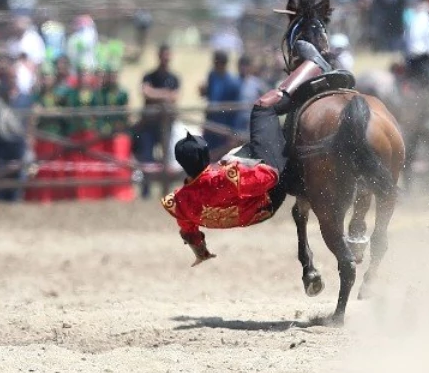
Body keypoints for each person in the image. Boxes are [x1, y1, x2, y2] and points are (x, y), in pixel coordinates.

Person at [162, 40, 342, 265]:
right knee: (262, 107)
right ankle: (314, 67)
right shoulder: (223, 177)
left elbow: (188, 229)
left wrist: (201, 252)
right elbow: (269, 178)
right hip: (269, 192)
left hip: (256, 214)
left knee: (256, 142)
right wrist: (240, 162)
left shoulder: (180, 200)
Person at [134, 44, 181, 198]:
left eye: (168, 55)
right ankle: (145, 193)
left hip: (166, 126)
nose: (165, 58)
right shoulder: (149, 76)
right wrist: (164, 94)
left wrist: (157, 94)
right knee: (146, 158)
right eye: (163, 55)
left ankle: (167, 193)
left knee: (166, 159)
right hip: (148, 125)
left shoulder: (174, 78)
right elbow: (146, 92)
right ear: (159, 56)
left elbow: (174, 97)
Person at [200, 50, 242, 153]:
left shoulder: (233, 83)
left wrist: (233, 134)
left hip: (224, 128)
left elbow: (235, 111)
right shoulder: (212, 76)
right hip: (211, 125)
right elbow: (210, 97)